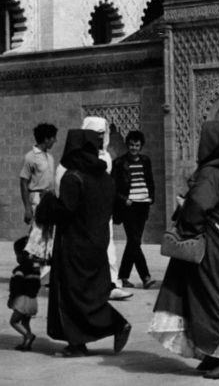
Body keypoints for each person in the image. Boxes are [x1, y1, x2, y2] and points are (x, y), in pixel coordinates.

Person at [149, 121, 219, 380]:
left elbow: (197, 207)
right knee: (206, 296)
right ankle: (212, 354)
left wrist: (188, 226)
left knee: (214, 300)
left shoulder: (209, 175)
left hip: (213, 245)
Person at [38, 128, 131, 357]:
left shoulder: (73, 177)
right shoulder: (106, 178)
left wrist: (48, 202)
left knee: (72, 294)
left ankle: (84, 339)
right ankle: (91, 335)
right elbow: (115, 209)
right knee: (89, 294)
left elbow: (65, 211)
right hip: (98, 243)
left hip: (74, 244)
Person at [80, 116, 133, 301]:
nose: (100, 138)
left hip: (104, 210)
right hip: (86, 212)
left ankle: (111, 283)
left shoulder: (106, 157)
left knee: (109, 246)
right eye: (96, 134)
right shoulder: (79, 158)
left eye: (103, 134)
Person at [112, 130, 157, 289]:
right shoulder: (119, 163)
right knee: (135, 241)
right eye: (131, 145)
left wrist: (151, 196)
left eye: (137, 145)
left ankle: (123, 276)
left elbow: (150, 181)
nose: (134, 148)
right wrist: (125, 199)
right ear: (127, 145)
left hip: (142, 205)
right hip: (129, 207)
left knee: (133, 242)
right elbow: (114, 187)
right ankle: (145, 277)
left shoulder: (146, 160)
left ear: (141, 146)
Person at [19, 123, 57, 265]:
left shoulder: (50, 157)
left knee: (48, 232)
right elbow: (23, 182)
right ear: (46, 139)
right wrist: (27, 208)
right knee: (38, 228)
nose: (55, 141)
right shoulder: (30, 157)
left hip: (49, 198)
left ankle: (43, 265)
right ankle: (27, 257)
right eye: (53, 138)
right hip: (36, 197)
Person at [8, 236, 41, 351]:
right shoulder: (36, 270)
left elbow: (15, 287)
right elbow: (37, 285)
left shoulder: (19, 270)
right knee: (25, 322)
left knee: (14, 321)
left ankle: (28, 336)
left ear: (21, 255)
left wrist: (11, 299)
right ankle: (26, 343)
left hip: (22, 301)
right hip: (33, 301)